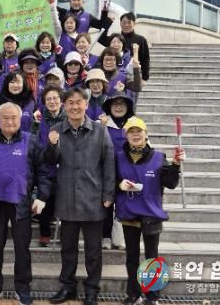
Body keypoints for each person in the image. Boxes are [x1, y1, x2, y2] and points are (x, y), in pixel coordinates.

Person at [0, 102, 51, 305]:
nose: (9, 121)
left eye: (14, 117)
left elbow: (43, 172)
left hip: (21, 202)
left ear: (20, 119)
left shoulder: (31, 141)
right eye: (5, 117)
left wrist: (42, 196)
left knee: (22, 248)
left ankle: (22, 288)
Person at [45, 88, 115, 305]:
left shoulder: (99, 130)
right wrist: (52, 144)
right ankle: (68, 287)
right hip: (67, 198)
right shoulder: (56, 130)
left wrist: (108, 193)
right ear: (64, 106)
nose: (75, 107)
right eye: (70, 103)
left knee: (93, 251)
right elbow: (50, 161)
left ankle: (92, 290)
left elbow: (109, 164)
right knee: (68, 249)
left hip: (93, 199)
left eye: (78, 102)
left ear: (86, 104)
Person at [116, 117, 183, 305]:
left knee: (151, 257)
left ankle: (152, 297)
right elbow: (112, 181)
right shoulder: (119, 157)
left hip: (151, 214)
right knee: (131, 257)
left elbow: (170, 183)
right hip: (129, 213)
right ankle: (133, 294)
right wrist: (119, 185)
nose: (135, 135)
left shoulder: (158, 157)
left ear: (146, 135)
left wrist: (175, 165)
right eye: (131, 132)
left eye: (139, 131)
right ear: (126, 136)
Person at [99, 91, 136, 250]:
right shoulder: (102, 122)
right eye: (115, 104)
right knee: (107, 204)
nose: (118, 107)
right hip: (106, 171)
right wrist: (100, 127)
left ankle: (120, 238)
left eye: (122, 104)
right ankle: (105, 236)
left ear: (128, 107)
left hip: (128, 171)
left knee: (124, 203)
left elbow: (144, 144)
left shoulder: (134, 124)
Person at [31, 86, 66, 247]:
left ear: (61, 100)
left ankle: (65, 234)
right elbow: (33, 139)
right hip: (44, 164)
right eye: (48, 99)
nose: (52, 102)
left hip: (64, 165)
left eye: (55, 98)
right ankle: (44, 233)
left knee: (64, 201)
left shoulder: (68, 118)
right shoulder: (39, 118)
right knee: (44, 197)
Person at [119, 12, 150, 89]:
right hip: (117, 76)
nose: (126, 25)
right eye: (124, 22)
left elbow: (145, 59)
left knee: (131, 96)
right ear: (120, 23)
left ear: (134, 23)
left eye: (129, 22)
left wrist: (144, 78)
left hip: (133, 77)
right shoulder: (116, 39)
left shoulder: (141, 40)